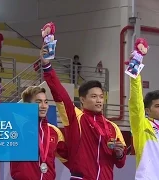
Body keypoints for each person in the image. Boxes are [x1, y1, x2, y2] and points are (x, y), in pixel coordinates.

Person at [40, 46, 126, 180]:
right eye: (94, 96)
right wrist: (47, 67)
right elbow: (60, 93)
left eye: (101, 97)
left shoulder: (112, 128)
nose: (99, 101)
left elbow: (120, 163)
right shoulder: (75, 118)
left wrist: (120, 154)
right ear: (82, 99)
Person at [0, 69, 69, 180]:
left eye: (45, 102)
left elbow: (68, 157)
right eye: (38, 102)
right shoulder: (17, 123)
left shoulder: (54, 131)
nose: (43, 106)